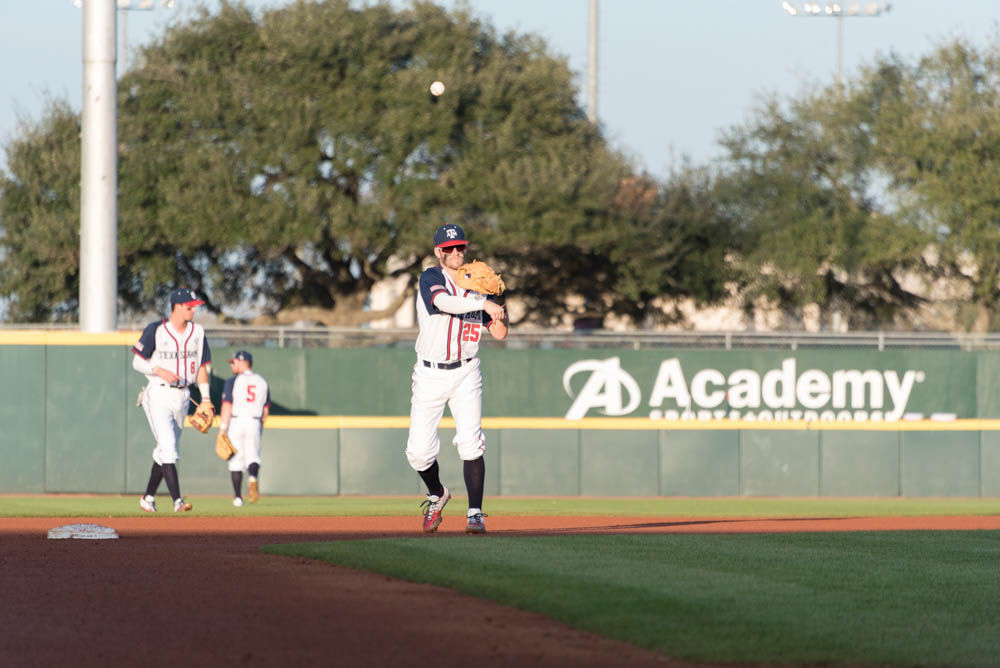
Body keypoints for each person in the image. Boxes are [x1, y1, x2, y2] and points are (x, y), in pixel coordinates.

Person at [405, 223, 508, 533]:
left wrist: (498, 309)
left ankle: (474, 512)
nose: (455, 252)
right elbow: (441, 303)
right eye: (449, 249)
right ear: (438, 252)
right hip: (430, 373)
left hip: (466, 371)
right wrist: (482, 302)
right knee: (418, 452)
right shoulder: (431, 277)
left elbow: (501, 333)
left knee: (471, 443)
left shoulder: (477, 283)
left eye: (460, 247)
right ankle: (437, 494)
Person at [132, 287, 212, 513]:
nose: (193, 311)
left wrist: (205, 399)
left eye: (194, 307)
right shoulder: (156, 330)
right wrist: (158, 370)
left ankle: (148, 497)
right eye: (190, 307)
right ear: (177, 307)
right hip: (158, 392)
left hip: (184, 395)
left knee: (165, 451)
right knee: (169, 448)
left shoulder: (198, 332)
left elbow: (202, 368)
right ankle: (177, 501)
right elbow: (136, 362)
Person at [219, 350, 271, 507]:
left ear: (243, 362)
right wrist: (259, 428)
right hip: (254, 421)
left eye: (234, 362)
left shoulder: (232, 381)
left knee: (236, 461)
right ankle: (253, 477)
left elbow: (227, 405)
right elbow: (265, 411)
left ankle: (237, 498)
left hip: (236, 421)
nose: (232, 365)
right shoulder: (262, 382)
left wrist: (222, 429)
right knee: (253, 456)